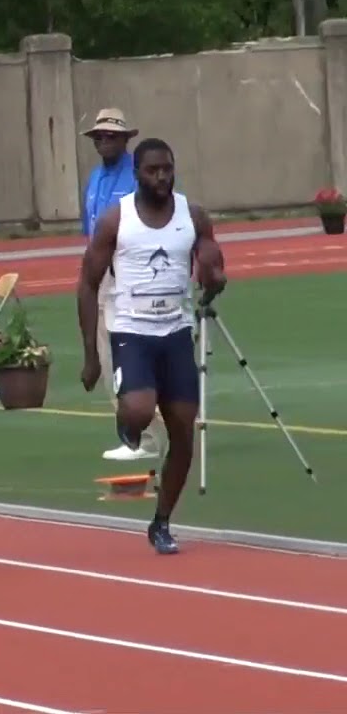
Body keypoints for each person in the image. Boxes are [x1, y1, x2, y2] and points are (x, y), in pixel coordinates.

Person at [78, 138, 226, 555]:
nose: (161, 177)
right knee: (140, 410)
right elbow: (87, 283)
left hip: (175, 331)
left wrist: (214, 275)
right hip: (132, 332)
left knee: (183, 431)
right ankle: (127, 423)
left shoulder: (192, 215)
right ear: (137, 174)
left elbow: (213, 261)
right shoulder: (117, 219)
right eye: (152, 170)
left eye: (167, 169)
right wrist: (91, 355)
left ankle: (161, 522)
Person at [80, 108, 166, 463]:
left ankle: (149, 436)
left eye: (111, 136)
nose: (104, 141)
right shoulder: (95, 179)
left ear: (125, 139)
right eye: (99, 137)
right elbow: (89, 231)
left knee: (131, 355)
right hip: (103, 274)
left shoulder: (137, 176)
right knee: (107, 356)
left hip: (131, 273)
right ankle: (134, 434)